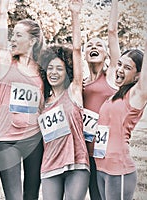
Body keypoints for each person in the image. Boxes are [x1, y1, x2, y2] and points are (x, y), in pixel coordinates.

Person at [38, 1, 90, 199]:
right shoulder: (42, 101)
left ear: (67, 71)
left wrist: (75, 15)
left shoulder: (74, 90)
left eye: (59, 68)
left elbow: (76, 51)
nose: (54, 72)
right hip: (50, 164)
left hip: (77, 162)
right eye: (50, 68)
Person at [0, 0, 45, 199]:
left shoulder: (43, 70)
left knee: (31, 195)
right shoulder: (6, 62)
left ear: (32, 41)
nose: (12, 39)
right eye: (12, 34)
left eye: (18, 35)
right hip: (7, 141)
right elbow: (0, 33)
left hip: (34, 139)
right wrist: (2, 8)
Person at [94, 35, 146, 199]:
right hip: (101, 167)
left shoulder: (137, 95)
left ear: (138, 75)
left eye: (128, 67)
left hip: (119, 169)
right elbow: (112, 33)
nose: (120, 69)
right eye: (119, 64)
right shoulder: (116, 94)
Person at [82, 1, 120, 199]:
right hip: (86, 152)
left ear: (106, 54)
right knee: (95, 196)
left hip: (107, 151)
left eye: (99, 45)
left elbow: (112, 32)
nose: (94, 47)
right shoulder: (79, 84)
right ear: (85, 54)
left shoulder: (112, 75)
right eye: (90, 45)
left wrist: (115, 3)